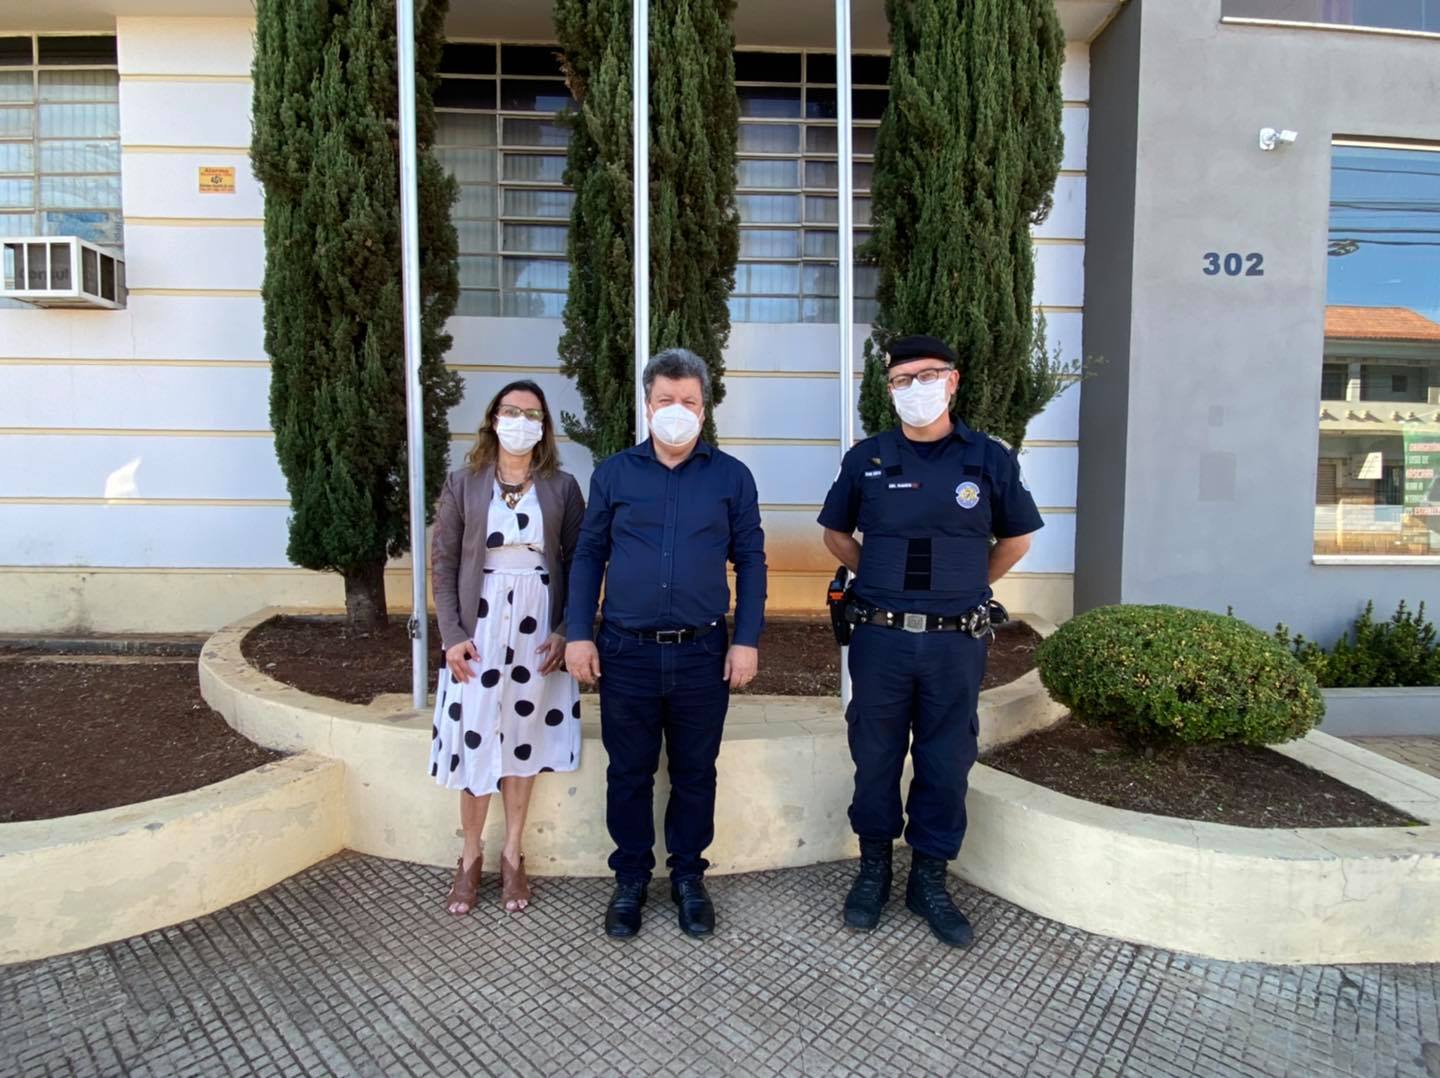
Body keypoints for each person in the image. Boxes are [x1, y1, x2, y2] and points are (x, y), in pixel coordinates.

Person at [818, 334, 1042, 947]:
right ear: (889, 389)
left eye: (927, 375)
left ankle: (929, 879)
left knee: (946, 761)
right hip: (880, 638)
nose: (914, 388)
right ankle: (873, 870)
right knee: (875, 757)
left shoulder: (988, 459)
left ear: (952, 380)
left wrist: (968, 586)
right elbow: (835, 534)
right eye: (901, 380)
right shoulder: (867, 458)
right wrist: (876, 575)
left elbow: (1017, 539)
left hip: (954, 643)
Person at [565, 348, 767, 939]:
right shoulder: (614, 474)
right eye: (665, 400)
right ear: (647, 405)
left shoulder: (732, 477)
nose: (677, 409)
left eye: (689, 401)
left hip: (703, 653)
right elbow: (589, 556)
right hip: (624, 651)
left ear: (704, 409)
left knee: (695, 770)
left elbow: (752, 561)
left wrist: (746, 641)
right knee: (628, 772)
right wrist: (578, 634)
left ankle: (688, 878)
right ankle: (630, 878)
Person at [429, 380, 586, 917]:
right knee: (475, 733)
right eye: (512, 411)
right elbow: (444, 562)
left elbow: (582, 561)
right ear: (494, 419)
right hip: (478, 626)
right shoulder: (463, 483)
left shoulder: (562, 487)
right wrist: (451, 635)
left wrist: (566, 627)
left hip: (538, 627)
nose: (521, 421)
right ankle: (470, 855)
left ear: (544, 427)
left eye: (533, 414)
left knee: (524, 738)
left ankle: (513, 852)